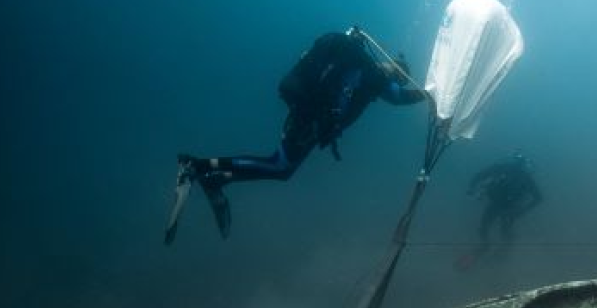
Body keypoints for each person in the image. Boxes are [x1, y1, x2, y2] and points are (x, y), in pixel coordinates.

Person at [165, 27, 428, 244]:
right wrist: (430, 94)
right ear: (395, 69)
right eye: (399, 75)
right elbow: (399, 97)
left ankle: (217, 179)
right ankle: (196, 166)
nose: (396, 80)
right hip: (311, 118)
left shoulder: (358, 67)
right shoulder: (373, 74)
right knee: (279, 166)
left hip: (306, 112)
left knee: (282, 169)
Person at [460, 150, 543, 264]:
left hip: (500, 205)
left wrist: (471, 188)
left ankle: (489, 247)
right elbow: (538, 198)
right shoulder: (524, 176)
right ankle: (496, 250)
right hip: (508, 208)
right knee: (501, 230)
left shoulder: (504, 168)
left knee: (486, 227)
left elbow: (480, 175)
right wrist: (522, 211)